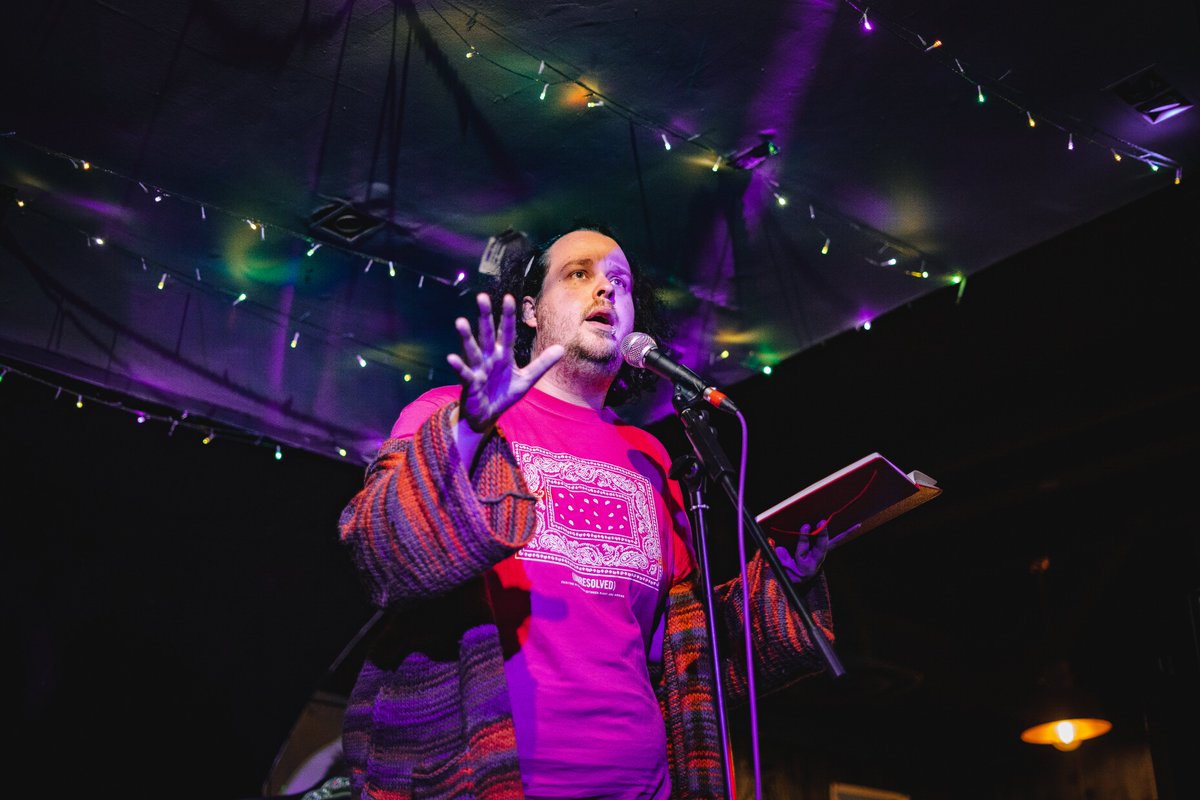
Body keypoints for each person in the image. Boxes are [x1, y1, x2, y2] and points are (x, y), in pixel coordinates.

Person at [337, 225, 834, 800]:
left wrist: (784, 581)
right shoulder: (451, 414)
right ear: (529, 311)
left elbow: (685, 649)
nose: (605, 289)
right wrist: (468, 433)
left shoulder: (649, 458)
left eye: (619, 282)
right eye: (580, 274)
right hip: (484, 783)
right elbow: (381, 548)